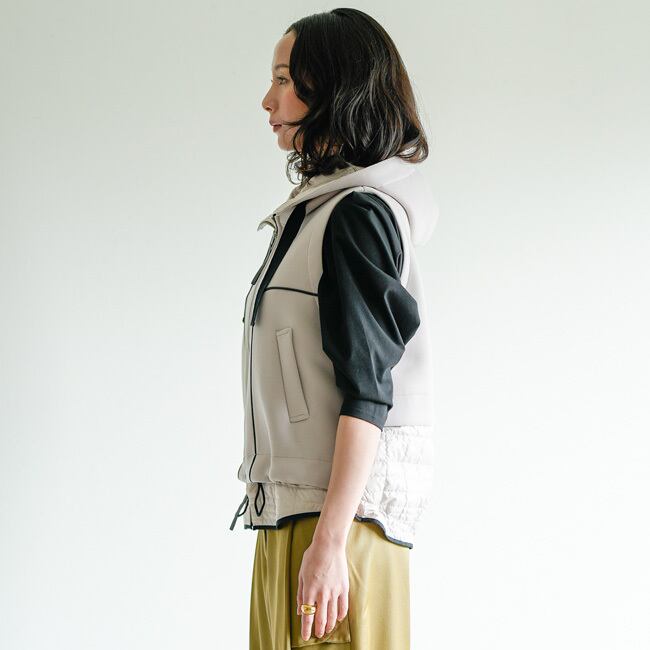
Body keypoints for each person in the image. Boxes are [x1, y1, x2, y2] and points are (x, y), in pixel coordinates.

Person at [229, 8, 438, 648]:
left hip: (338, 526)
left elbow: (368, 392)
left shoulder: (357, 215)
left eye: (284, 80)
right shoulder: (316, 214)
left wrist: (330, 543)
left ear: (332, 90)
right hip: (297, 512)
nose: (268, 101)